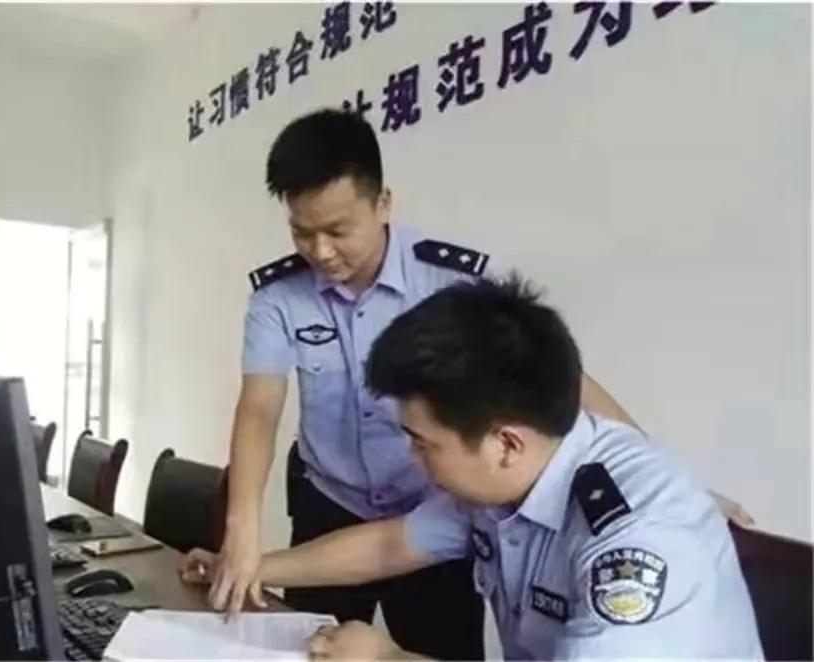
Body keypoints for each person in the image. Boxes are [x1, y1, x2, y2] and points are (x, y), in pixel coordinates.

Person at [210, 108, 655, 660]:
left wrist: (649, 471)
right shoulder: (278, 298)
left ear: (382, 203)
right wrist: (242, 533)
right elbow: (259, 408)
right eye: (302, 232)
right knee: (308, 648)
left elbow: (560, 382)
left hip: (438, 505)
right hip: (329, 504)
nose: (320, 251)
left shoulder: (455, 283)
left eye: (338, 231)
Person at [184, 277, 763, 660]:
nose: (411, 458)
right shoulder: (507, 481)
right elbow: (390, 546)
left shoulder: (636, 542)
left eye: (422, 443)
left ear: (505, 444)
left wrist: (389, 658)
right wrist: (246, 568)